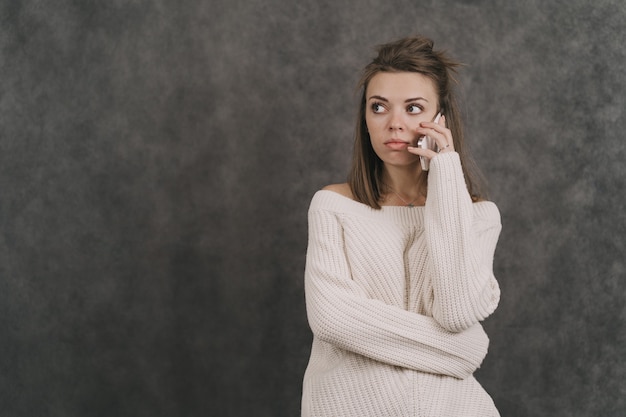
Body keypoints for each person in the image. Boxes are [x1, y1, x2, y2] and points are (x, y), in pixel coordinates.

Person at [301, 35, 502, 417]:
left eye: (413, 108)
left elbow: (456, 311)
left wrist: (445, 173)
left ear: (441, 119)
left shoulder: (479, 216)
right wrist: (462, 349)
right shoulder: (333, 206)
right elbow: (333, 320)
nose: (394, 123)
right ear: (365, 118)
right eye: (379, 107)